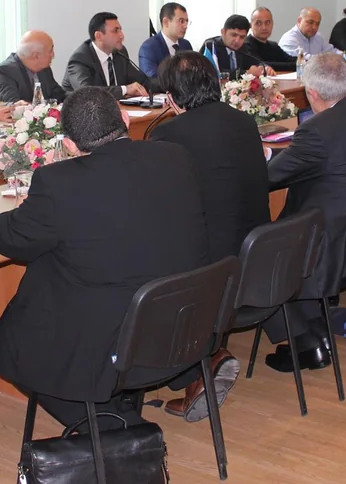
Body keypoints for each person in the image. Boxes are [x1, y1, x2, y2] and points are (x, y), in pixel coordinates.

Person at [0, 87, 219, 427]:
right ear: (125, 119)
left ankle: (114, 428)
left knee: (8, 343)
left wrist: (26, 208)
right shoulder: (176, 156)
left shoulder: (58, 182)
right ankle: (118, 412)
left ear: (69, 146)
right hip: (184, 324)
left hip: (112, 341)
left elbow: (8, 239)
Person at [150, 52, 269, 417]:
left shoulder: (168, 134)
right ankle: (209, 356)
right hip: (254, 256)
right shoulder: (243, 120)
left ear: (171, 97)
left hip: (210, 270)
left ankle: (199, 367)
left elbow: (159, 204)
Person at [263, 53, 346, 372]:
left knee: (260, 251)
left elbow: (269, 177)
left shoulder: (317, 130)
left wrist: (258, 157)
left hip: (334, 244)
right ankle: (313, 326)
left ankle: (307, 341)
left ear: (312, 93)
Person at [61, 12, 154, 99]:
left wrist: (163, 83)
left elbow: (143, 82)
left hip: (115, 108)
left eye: (120, 30)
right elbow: (88, 93)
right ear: (99, 36)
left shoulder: (120, 52)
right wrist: (124, 89)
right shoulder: (80, 59)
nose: (121, 35)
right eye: (115, 31)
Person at [0, 30, 67, 104]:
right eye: (50, 51)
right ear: (36, 56)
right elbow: (15, 107)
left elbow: (60, 96)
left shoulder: (44, 69)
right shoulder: (4, 72)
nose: (53, 55)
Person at [203, 15, 276, 77]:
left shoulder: (243, 48)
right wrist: (246, 73)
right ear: (223, 32)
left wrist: (265, 67)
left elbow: (256, 61)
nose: (237, 41)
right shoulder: (211, 45)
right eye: (234, 35)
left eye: (242, 37)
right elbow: (215, 73)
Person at [138, 2, 193, 77]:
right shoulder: (149, 48)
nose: (185, 26)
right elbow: (152, 79)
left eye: (187, 21)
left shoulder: (186, 45)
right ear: (166, 22)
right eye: (181, 21)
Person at [243, 7, 296, 71]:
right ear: (251, 26)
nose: (264, 27)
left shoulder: (274, 46)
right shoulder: (246, 45)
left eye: (267, 23)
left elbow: (292, 60)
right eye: (258, 23)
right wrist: (293, 65)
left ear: (272, 24)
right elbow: (261, 65)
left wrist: (303, 61)